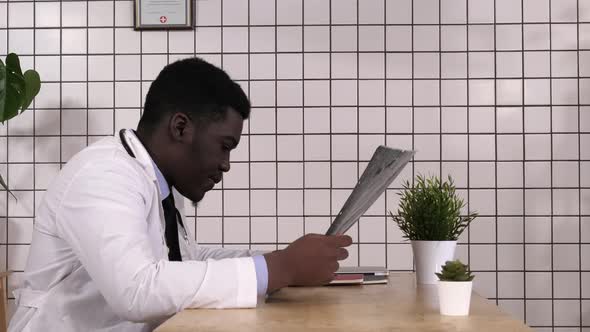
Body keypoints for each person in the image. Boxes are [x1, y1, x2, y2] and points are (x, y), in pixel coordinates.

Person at [8, 57, 352, 332]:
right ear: (181, 127)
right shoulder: (102, 174)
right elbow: (137, 289)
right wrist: (279, 268)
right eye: (224, 146)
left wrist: (280, 261)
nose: (226, 165)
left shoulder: (157, 183)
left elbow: (182, 263)